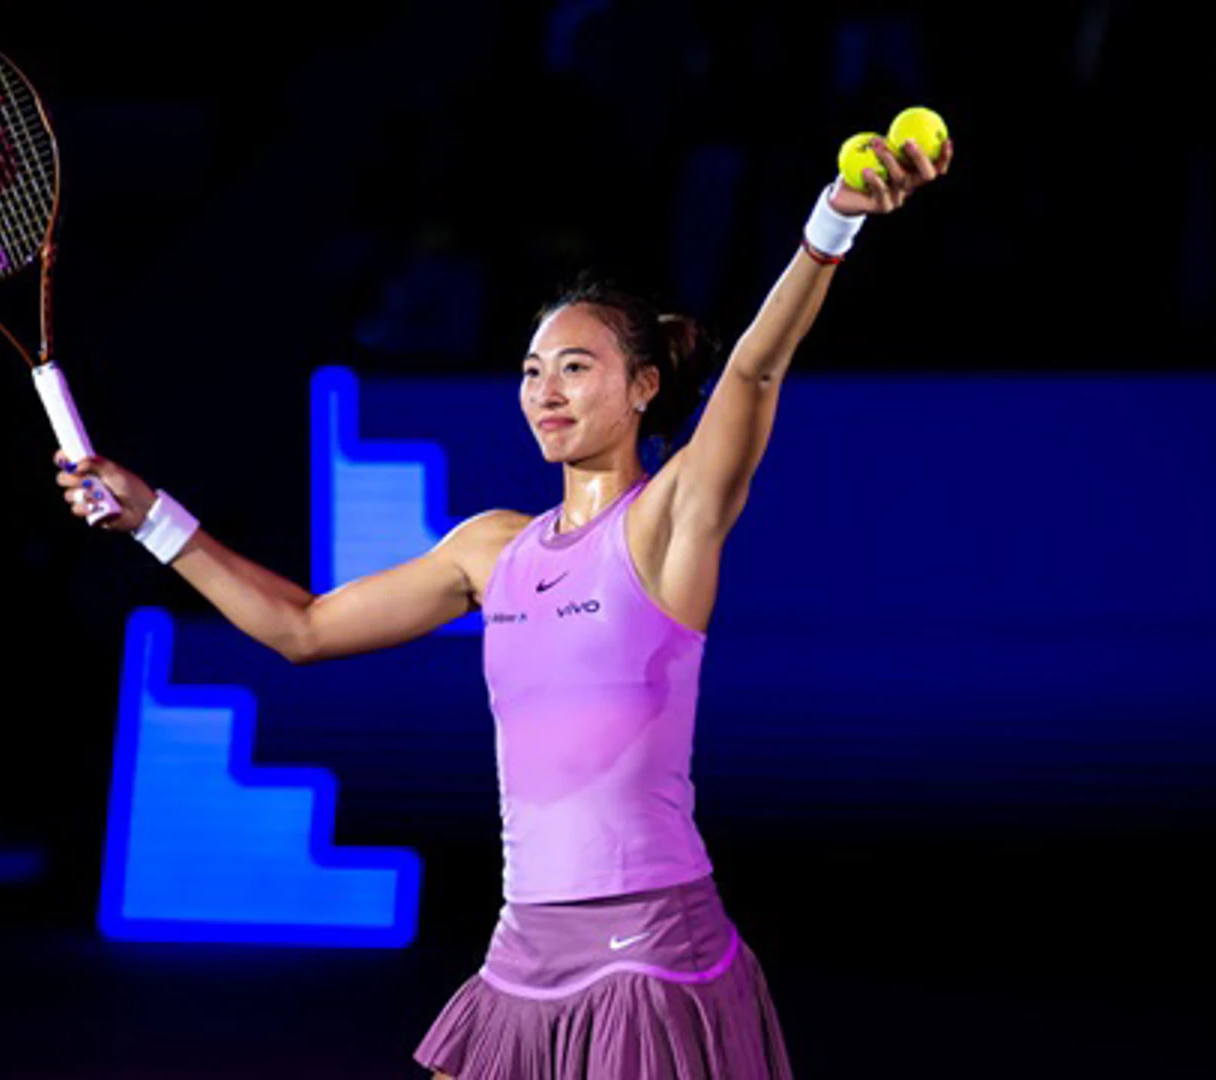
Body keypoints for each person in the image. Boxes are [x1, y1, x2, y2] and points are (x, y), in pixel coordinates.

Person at [57, 136, 950, 1078]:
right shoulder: (490, 549)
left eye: (575, 367)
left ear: (645, 388)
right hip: (521, 952)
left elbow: (754, 375)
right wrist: (151, 518)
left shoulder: (667, 526)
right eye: (531, 370)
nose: (544, 390)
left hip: (647, 951)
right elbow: (302, 629)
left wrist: (832, 222)